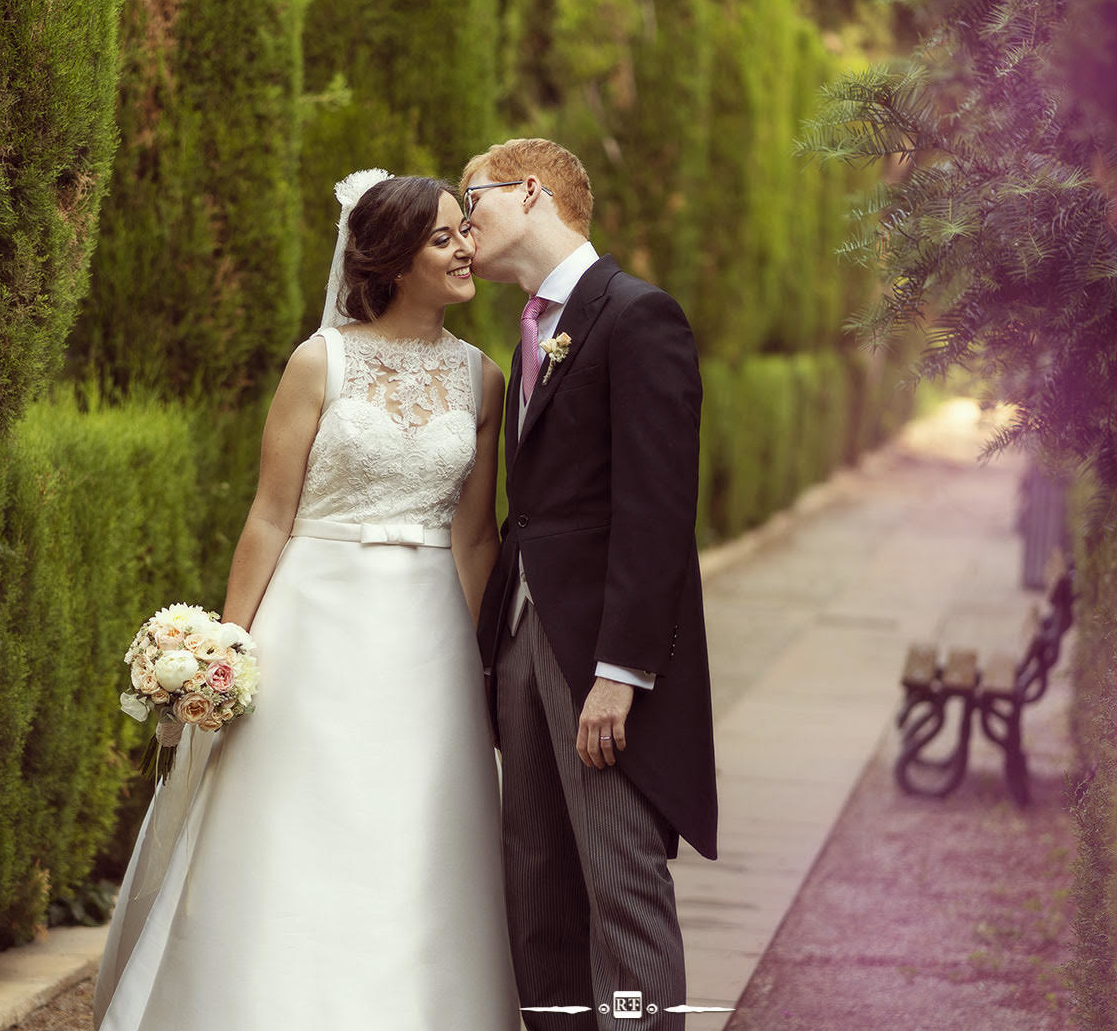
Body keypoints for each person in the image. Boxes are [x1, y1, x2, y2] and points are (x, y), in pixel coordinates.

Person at [92, 173, 519, 1030]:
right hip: (313, 622)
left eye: (465, 231)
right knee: (294, 818)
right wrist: (227, 647)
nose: (467, 247)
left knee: (418, 823)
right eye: (443, 238)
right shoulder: (320, 360)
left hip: (429, 634)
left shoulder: (484, 378)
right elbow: (270, 514)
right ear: (395, 260)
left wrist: (481, 667)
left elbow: (476, 538)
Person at [462, 138, 718, 1031]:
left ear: (530, 193)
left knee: (620, 887)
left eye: (473, 200)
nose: (462, 226)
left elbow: (656, 511)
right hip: (525, 639)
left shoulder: (638, 315)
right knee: (536, 893)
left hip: (599, 655)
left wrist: (621, 672)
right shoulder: (530, 326)